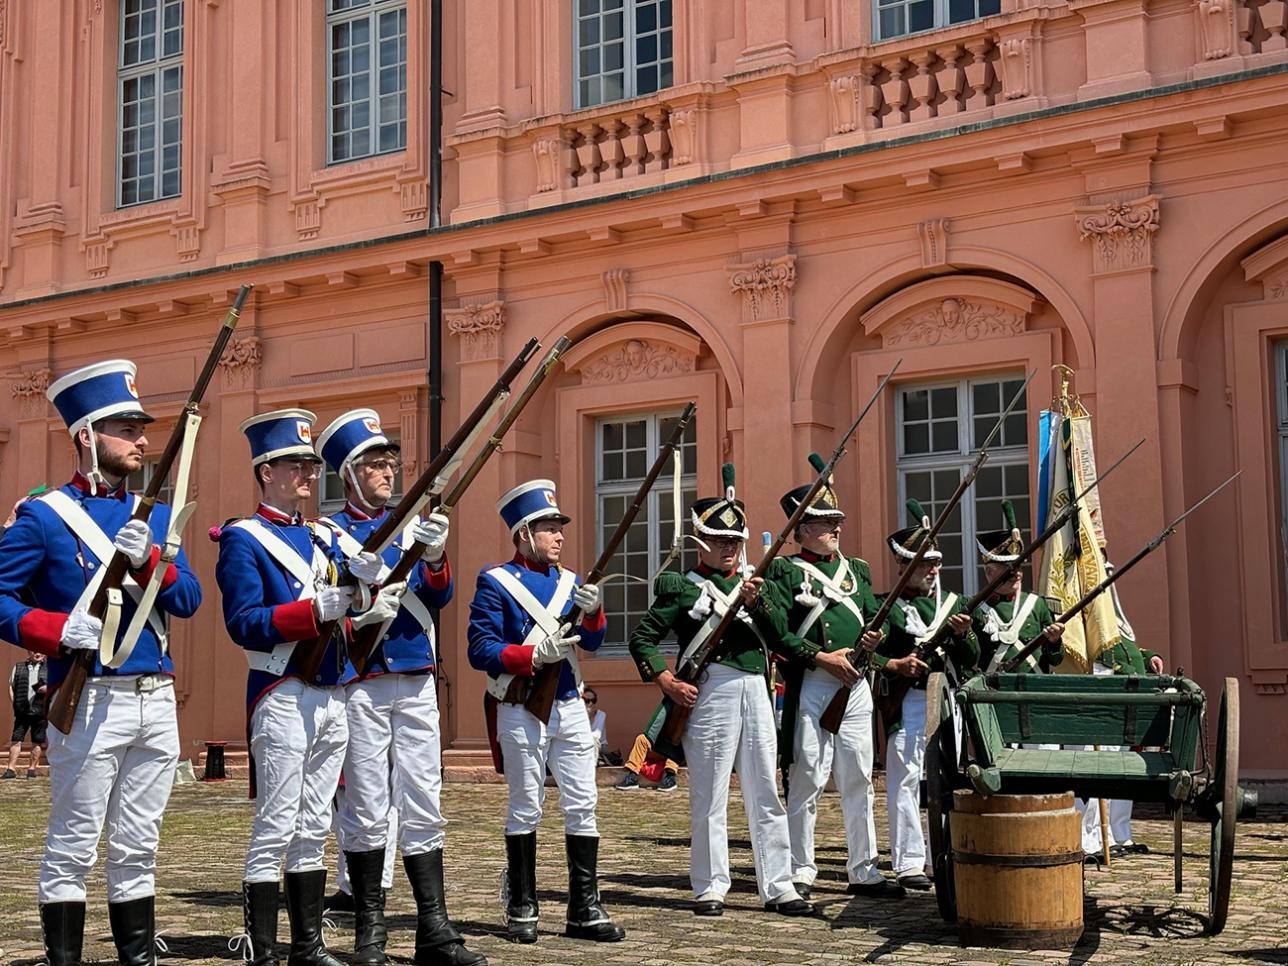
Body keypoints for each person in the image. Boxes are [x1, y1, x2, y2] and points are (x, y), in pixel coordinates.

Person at [0, 359, 202, 966]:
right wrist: (56, 629)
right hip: (89, 698)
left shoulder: (157, 516)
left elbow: (188, 599)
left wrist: (149, 565)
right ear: (86, 436)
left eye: (142, 428)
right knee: (74, 844)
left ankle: (136, 958)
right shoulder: (44, 517)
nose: (143, 439)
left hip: (154, 695)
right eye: (126, 428)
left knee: (139, 844)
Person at [314, 409, 485, 966]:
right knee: (365, 805)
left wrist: (434, 556)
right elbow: (327, 603)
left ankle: (434, 928)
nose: (387, 472)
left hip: (413, 675)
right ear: (348, 473)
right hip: (362, 681)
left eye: (390, 462)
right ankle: (371, 932)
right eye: (374, 464)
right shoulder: (326, 535)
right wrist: (359, 602)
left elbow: (438, 595)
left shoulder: (412, 528)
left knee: (423, 800)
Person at [627, 464, 827, 918]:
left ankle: (778, 885)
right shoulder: (683, 589)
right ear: (701, 542)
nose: (729, 550)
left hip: (756, 687)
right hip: (709, 688)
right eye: (720, 542)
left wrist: (757, 602)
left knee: (765, 790)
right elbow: (642, 638)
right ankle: (711, 886)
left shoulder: (754, 585)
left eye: (735, 542)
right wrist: (666, 681)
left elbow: (780, 637)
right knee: (711, 793)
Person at [216, 409, 357, 966]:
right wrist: (307, 612)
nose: (308, 473)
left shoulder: (324, 539)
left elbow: (354, 605)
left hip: (331, 689)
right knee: (276, 819)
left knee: (315, 822)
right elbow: (244, 622)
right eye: (297, 463)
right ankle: (264, 949)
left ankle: (307, 944)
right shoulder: (243, 539)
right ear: (266, 470)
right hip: (281, 689)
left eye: (311, 464)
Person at [466, 480, 625, 945]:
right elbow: (481, 649)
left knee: (583, 803)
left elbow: (593, 643)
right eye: (548, 528)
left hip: (571, 704)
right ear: (523, 533)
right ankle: (522, 902)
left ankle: (584, 906)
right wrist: (532, 656)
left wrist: (594, 613)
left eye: (559, 527)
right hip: (521, 705)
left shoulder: (572, 582)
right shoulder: (496, 581)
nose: (558, 536)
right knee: (526, 805)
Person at [765, 459, 903, 902]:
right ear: (801, 529)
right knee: (806, 774)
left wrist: (872, 645)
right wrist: (822, 657)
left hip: (856, 685)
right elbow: (779, 635)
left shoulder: (857, 570)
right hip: (815, 682)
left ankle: (863, 868)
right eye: (825, 522)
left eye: (836, 521)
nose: (835, 528)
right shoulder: (785, 572)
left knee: (860, 774)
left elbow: (866, 621)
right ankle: (800, 868)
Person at [874, 500, 980, 891]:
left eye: (935, 563)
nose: (933, 570)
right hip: (908, 700)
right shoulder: (886, 607)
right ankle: (909, 862)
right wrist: (898, 665)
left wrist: (963, 634)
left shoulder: (953, 604)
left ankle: (951, 851)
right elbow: (872, 655)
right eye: (924, 564)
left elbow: (972, 659)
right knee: (904, 780)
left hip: (945, 698)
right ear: (903, 566)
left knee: (948, 778)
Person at [1078, 559, 1162, 859]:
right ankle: (1088, 838)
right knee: (1093, 769)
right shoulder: (1083, 618)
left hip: (1126, 704)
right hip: (1100, 705)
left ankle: (1118, 833)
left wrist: (1147, 656)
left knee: (1123, 771)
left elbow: (1125, 648)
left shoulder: (1113, 616)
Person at [971, 502, 1065, 674]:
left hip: (1033, 692)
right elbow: (969, 658)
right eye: (1008, 569)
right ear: (989, 572)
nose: (1017, 574)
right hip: (993, 694)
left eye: (1019, 567)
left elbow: (1055, 660)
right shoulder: (975, 608)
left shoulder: (1037, 605)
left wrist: (1054, 641)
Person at [6, 651, 48, 778]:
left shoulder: (49, 668)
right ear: (29, 652)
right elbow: (11, 687)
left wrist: (48, 688)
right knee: (16, 739)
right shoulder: (19, 667)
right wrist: (15, 703)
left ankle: (31, 770)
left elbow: (58, 686)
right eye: (34, 651)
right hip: (22, 711)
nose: (37, 653)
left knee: (37, 740)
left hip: (40, 710)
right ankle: (10, 770)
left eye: (40, 651)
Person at [613, 733, 678, 791]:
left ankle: (670, 777)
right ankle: (632, 776)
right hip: (658, 743)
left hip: (671, 748)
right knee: (641, 738)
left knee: (678, 740)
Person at [582, 688, 609, 763]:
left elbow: (597, 735)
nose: (590, 703)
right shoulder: (577, 716)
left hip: (600, 745)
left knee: (593, 741)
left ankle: (591, 768)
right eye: (587, 701)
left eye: (593, 701)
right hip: (582, 744)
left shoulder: (601, 715)